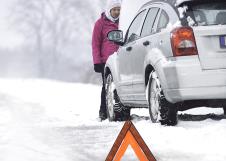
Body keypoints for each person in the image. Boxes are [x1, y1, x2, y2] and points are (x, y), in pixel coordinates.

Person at [92, 0, 121, 120]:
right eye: (114, 10)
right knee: (107, 86)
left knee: (119, 85)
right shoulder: (100, 23)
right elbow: (95, 43)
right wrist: (97, 62)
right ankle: (103, 112)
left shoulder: (123, 22)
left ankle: (119, 112)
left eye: (118, 9)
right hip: (106, 60)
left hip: (120, 59)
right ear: (109, 10)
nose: (116, 12)